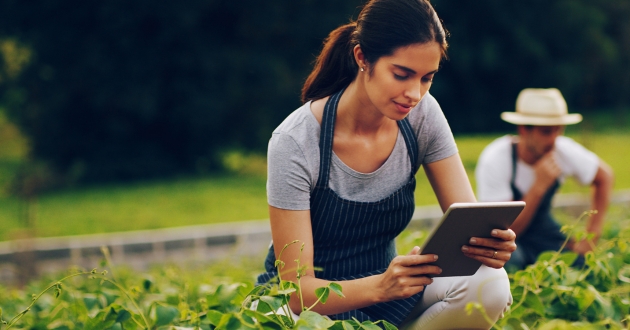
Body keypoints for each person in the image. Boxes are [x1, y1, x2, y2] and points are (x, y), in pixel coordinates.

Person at [256, 0, 516, 328]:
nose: (414, 93)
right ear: (362, 57)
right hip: (307, 306)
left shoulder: (422, 116)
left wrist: (487, 244)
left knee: (489, 283)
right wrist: (380, 286)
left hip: (390, 289)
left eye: (427, 78)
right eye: (402, 74)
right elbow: (297, 292)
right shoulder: (295, 142)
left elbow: (465, 219)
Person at [475, 88, 615, 271]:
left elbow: (605, 177)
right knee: (509, 262)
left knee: (580, 266)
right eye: (546, 132)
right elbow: (503, 232)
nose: (554, 139)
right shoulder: (496, 159)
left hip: (543, 231)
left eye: (559, 130)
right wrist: (538, 187)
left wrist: (592, 237)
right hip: (509, 239)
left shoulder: (560, 149)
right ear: (524, 129)